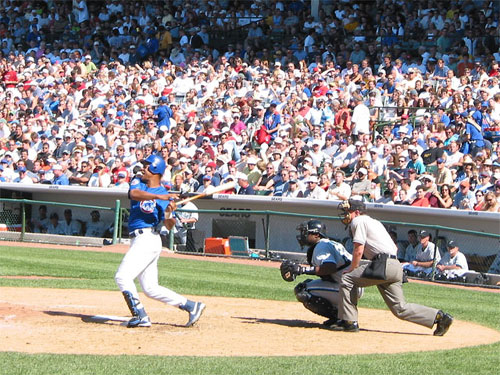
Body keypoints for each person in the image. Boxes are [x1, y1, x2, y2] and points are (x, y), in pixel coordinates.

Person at [332, 199, 453, 336]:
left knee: (347, 278)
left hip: (383, 264)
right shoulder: (375, 222)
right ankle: (439, 317)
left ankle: (349, 321)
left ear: (357, 212)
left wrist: (353, 267)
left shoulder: (358, 221)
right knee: (400, 308)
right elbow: (394, 248)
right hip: (395, 265)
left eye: (349, 212)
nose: (346, 215)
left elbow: (358, 249)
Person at [114, 154, 205, 328]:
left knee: (122, 277)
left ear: (155, 169)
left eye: (147, 166)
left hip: (149, 239)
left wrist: (169, 211)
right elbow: (134, 194)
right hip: (139, 239)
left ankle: (140, 315)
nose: (143, 168)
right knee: (150, 288)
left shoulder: (164, 194)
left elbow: (169, 225)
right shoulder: (138, 182)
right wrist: (160, 198)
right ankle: (192, 306)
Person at [280, 220, 363, 326]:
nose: (303, 235)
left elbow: (330, 267)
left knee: (303, 290)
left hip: (347, 288)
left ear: (316, 235)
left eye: (306, 232)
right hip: (351, 286)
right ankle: (342, 315)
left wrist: (302, 270)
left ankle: (342, 318)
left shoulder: (321, 246)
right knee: (309, 283)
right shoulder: (329, 243)